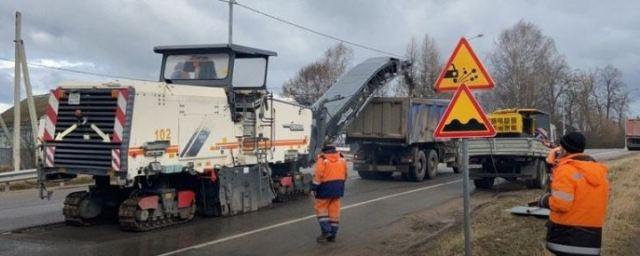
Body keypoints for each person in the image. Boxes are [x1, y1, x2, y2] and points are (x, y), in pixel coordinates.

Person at [538, 132, 609, 256]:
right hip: (592, 237)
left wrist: (545, 200)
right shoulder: (598, 171)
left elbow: (561, 204)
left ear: (564, 149)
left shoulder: (565, 170)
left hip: (566, 235)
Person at [311, 145, 348, 243]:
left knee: (321, 210)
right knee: (334, 213)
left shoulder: (322, 159)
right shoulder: (341, 159)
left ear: (324, 151)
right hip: (338, 188)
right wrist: (340, 185)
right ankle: (333, 235)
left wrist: (314, 188)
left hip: (325, 188)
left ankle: (326, 231)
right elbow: (346, 174)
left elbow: (318, 175)